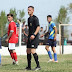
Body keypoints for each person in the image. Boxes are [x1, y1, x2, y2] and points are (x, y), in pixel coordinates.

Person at [25, 6, 41, 71]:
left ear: (33, 11)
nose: (28, 11)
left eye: (30, 10)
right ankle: (29, 66)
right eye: (28, 10)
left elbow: (38, 27)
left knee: (33, 51)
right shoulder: (29, 19)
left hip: (34, 37)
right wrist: (28, 36)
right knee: (28, 51)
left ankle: (38, 66)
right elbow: (30, 29)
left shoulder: (35, 18)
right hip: (30, 37)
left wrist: (34, 34)